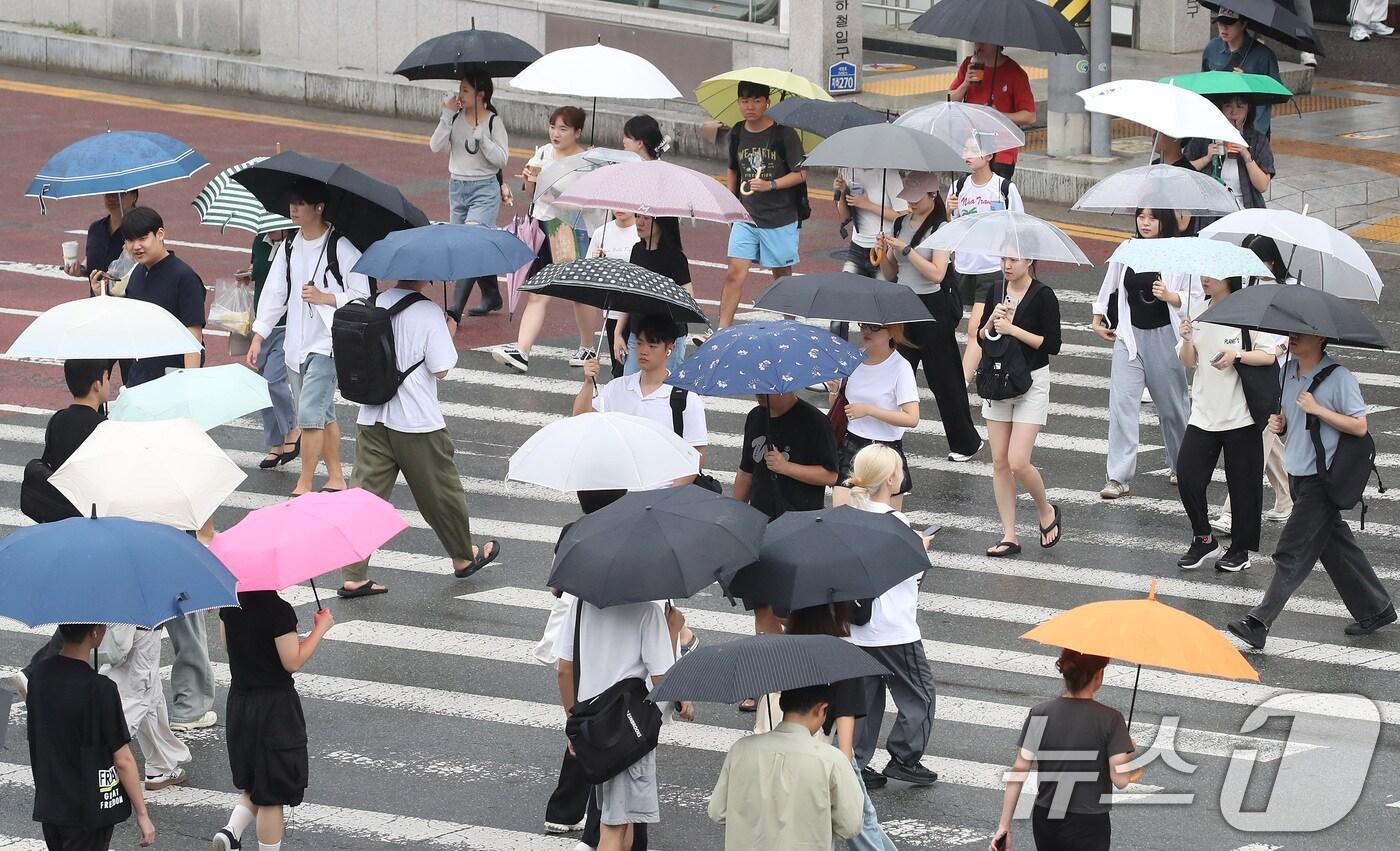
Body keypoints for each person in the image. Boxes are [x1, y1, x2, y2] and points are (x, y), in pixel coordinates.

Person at [1226, 332, 1397, 649]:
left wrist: (1318, 409)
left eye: (1300, 334)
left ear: (1320, 339)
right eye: (1290, 332)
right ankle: (1377, 608)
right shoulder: (1287, 371)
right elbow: (1295, 421)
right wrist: (1282, 424)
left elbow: (1360, 426)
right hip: (1298, 474)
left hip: (1324, 478)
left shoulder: (1339, 377)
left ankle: (1259, 622)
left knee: (1291, 551)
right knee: (1334, 545)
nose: (1292, 337)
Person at [339, 279, 501, 598]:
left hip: (372, 416)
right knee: (442, 494)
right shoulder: (427, 311)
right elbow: (441, 368)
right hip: (416, 421)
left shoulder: (373, 303)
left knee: (364, 499)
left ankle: (354, 575)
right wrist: (448, 329)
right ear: (426, 277)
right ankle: (463, 555)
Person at [248, 179, 372, 496]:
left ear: (319, 208)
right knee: (323, 413)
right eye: (292, 202)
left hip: (328, 344)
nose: (293, 208)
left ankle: (304, 483)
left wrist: (325, 297)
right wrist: (259, 335)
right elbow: (275, 293)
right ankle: (336, 478)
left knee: (309, 416)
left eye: (301, 203)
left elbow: (363, 293)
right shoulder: (290, 246)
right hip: (295, 347)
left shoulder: (340, 246)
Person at [553, 593, 694, 851]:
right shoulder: (648, 611)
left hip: (590, 725)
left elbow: (564, 669)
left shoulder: (582, 604)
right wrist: (672, 631)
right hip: (626, 730)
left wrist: (573, 725)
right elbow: (663, 680)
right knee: (614, 829)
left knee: (625, 821)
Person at [10, 359, 113, 699]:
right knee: (86, 609)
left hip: (62, 527)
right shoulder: (104, 429)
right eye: (108, 376)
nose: (111, 382)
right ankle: (38, 670)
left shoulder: (58, 421)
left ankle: (48, 672)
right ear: (98, 383)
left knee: (80, 607)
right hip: (92, 526)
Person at [844, 445, 940, 789]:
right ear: (891, 478)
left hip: (857, 628)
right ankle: (905, 757)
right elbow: (910, 575)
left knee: (866, 698)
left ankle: (856, 761)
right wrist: (921, 550)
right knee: (920, 694)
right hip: (894, 629)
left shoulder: (849, 516)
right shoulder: (896, 522)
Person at [213, 593, 334, 851]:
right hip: (274, 708)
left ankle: (231, 832)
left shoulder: (230, 603)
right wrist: (320, 629)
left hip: (239, 704)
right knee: (272, 794)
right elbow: (292, 661)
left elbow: (226, 645)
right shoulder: (278, 610)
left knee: (256, 780)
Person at [1090, 209, 1196, 500]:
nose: (1145, 223)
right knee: (1122, 405)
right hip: (1129, 336)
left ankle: (1181, 465)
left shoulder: (1179, 252)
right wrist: (1098, 317)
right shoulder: (1128, 248)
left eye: (1152, 217)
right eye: (1141, 217)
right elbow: (1110, 286)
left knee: (1173, 409)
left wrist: (1172, 297)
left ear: (1165, 221)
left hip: (1166, 338)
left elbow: (1197, 296)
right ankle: (1118, 477)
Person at [1175, 275, 1278, 573]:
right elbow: (1187, 362)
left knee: (1243, 487)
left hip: (1242, 414)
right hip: (1203, 413)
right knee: (1188, 477)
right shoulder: (1198, 310)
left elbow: (1268, 355)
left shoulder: (1248, 311)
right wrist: (1186, 339)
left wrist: (1237, 356)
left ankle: (1240, 550)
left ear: (1230, 278)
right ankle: (1203, 537)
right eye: (1204, 273)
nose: (1206, 279)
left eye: (1213, 275)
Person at [988, 650, 1136, 851]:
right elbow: (1121, 780)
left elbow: (1019, 770)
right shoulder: (1111, 719)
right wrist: (1129, 749)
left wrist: (1004, 827)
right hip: (1089, 822)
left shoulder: (1040, 713)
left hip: (1046, 819)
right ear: (1099, 675)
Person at [879, 172, 982, 462]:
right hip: (902, 305)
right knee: (896, 373)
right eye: (907, 198)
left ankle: (965, 442)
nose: (910, 203)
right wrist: (886, 252)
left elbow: (937, 274)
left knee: (944, 379)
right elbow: (891, 274)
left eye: (916, 198)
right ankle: (885, 439)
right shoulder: (899, 223)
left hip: (932, 307)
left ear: (932, 196)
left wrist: (907, 250)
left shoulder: (941, 228)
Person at [26, 623, 156, 851]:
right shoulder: (100, 688)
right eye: (101, 626)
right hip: (88, 810)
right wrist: (142, 814)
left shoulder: (38, 675)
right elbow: (122, 759)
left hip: (51, 805)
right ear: (93, 633)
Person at [492, 106, 600, 373]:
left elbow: (587, 205)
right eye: (553, 127)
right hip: (542, 227)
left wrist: (555, 197)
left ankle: (587, 346)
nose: (556, 133)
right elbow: (531, 194)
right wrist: (529, 180)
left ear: (578, 132)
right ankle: (522, 350)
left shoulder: (586, 162)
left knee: (580, 293)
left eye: (563, 128)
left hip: (571, 231)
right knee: (537, 292)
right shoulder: (542, 153)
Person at [783, 606, 897, 850]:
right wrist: (845, 763)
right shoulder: (841, 654)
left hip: (790, 743)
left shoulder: (787, 648)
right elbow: (845, 715)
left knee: (863, 823)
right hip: (829, 748)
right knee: (861, 822)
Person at [733, 391, 839, 640]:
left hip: (798, 528)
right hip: (758, 526)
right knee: (761, 604)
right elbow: (746, 471)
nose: (759, 394)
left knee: (791, 609)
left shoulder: (814, 422)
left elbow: (831, 474)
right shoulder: (755, 418)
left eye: (766, 390)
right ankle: (771, 665)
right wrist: (734, 515)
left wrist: (786, 467)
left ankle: (802, 659)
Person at [709, 684, 865, 850]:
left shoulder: (740, 749)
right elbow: (850, 825)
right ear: (821, 709)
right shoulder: (832, 760)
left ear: (783, 704)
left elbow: (717, 811)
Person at [977, 257, 1063, 557]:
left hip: (1032, 382)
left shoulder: (1043, 295)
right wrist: (991, 322)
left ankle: (1046, 509)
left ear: (1028, 260)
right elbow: (981, 336)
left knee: (1017, 461)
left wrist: (1012, 329)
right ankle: (1010, 534)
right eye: (1003, 259)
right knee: (999, 461)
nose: (1007, 265)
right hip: (998, 380)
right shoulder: (995, 290)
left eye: (1013, 259)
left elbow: (1052, 344)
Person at [1212, 235, 1294, 534]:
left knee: (1256, 445)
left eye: (1257, 259)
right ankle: (1287, 498)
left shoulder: (1290, 290)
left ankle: (1232, 513)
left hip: (1279, 377)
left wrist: (1280, 346)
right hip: (1250, 371)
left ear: (1272, 261)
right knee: (1269, 443)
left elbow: (1293, 332)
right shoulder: (1248, 286)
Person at [717, 80, 807, 330]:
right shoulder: (736, 132)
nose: (750, 106)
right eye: (745, 101)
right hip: (746, 216)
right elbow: (733, 169)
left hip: (779, 217)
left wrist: (771, 185)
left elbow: (801, 174)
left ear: (767, 102)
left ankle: (791, 326)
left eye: (757, 100)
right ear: (738, 103)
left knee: (781, 277)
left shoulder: (784, 133)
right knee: (735, 272)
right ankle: (721, 330)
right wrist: (731, 203)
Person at [90, 206, 205, 387]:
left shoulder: (184, 277)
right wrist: (102, 296)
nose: (136, 246)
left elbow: (193, 335)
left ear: (160, 234)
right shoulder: (137, 273)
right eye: (130, 240)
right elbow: (128, 322)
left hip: (173, 378)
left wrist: (190, 384)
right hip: (140, 376)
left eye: (143, 238)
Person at [429, 68, 509, 320]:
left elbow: (502, 160)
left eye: (465, 90)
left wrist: (484, 139)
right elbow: (435, 146)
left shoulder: (494, 122)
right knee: (472, 245)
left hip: (484, 189)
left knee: (467, 244)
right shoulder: (454, 118)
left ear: (481, 94)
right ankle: (492, 294)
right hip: (457, 188)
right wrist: (446, 114)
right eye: (459, 89)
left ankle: (454, 310)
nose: (459, 94)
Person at [949, 148, 1025, 384]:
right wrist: (948, 209)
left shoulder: (1004, 188)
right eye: (965, 149)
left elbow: (1019, 226)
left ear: (990, 156)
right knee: (970, 325)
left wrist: (1012, 262)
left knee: (975, 327)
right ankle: (986, 365)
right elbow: (951, 227)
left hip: (992, 267)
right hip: (963, 266)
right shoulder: (957, 187)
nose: (967, 155)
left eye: (974, 150)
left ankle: (961, 383)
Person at [832, 324, 920, 511]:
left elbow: (912, 418)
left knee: (885, 525)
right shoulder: (852, 359)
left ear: (891, 332)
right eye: (863, 325)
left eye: (874, 327)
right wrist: (834, 390)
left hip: (885, 451)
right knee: (841, 520)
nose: (866, 331)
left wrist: (870, 410)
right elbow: (842, 405)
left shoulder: (901, 367)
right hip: (851, 446)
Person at [98, 624, 191, 792]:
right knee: (137, 699)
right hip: (143, 632)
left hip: (133, 626)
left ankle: (160, 767)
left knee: (152, 701)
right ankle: (93, 758)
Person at [246, 229, 300, 469]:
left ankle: (292, 429)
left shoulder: (295, 246)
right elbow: (261, 275)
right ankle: (275, 443)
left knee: (272, 381)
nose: (267, 230)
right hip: (262, 326)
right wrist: (247, 276)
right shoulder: (260, 241)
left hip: (288, 325)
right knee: (261, 386)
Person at [947, 42, 1036, 178]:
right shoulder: (969, 65)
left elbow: (1030, 116)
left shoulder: (1015, 73)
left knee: (996, 197)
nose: (979, 45)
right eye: (977, 41)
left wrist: (998, 115)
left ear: (997, 43)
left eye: (985, 41)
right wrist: (965, 84)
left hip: (1001, 152)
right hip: (973, 148)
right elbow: (950, 101)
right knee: (972, 194)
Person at [619, 215, 692, 376]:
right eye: (637, 216)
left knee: (664, 389)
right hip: (638, 333)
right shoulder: (637, 250)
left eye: (647, 218)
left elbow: (688, 299)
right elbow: (627, 295)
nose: (639, 222)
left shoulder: (675, 257)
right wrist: (618, 333)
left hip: (666, 337)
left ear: (662, 222)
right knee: (630, 386)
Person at [1183, 95, 1274, 210]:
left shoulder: (1258, 141)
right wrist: (1206, 158)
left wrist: (1246, 155)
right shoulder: (1204, 137)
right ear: (1220, 108)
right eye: (1227, 106)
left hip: (1245, 210)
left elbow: (1262, 186)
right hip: (1210, 211)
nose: (1233, 112)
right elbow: (1184, 173)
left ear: (1248, 109)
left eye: (1240, 106)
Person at [1201, 9, 1281, 136]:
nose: (1224, 28)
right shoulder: (1212, 48)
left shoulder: (1263, 55)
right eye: (1220, 23)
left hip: (1253, 130)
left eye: (1230, 23)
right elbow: (1203, 85)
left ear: (1243, 24)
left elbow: (1275, 92)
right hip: (1218, 127)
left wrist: (1248, 81)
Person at [589, 210, 641, 377]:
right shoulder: (601, 232)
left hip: (636, 309)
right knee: (618, 367)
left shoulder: (641, 232)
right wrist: (596, 261)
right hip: (612, 310)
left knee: (633, 369)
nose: (620, 208)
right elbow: (589, 272)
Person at [65, 189, 138, 287]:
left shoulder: (139, 232)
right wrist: (79, 270)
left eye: (119, 194)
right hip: (98, 298)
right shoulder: (96, 229)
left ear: (134, 196)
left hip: (127, 299)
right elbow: (91, 265)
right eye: (108, 193)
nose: (112, 198)